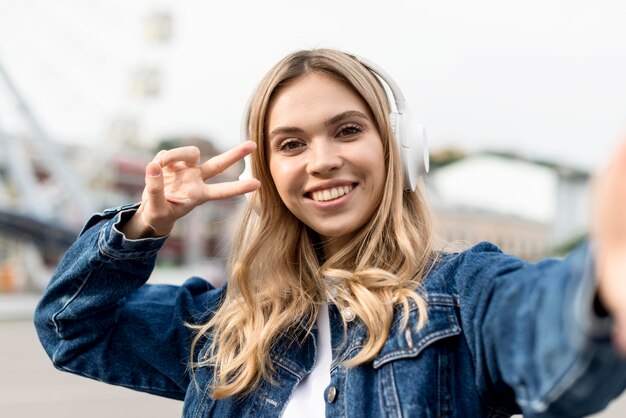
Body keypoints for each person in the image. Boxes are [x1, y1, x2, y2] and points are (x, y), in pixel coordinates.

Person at [34, 48, 626, 417]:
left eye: (347, 131)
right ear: (266, 174)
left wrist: (602, 283)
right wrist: (146, 224)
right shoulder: (225, 328)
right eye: (291, 144)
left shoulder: (464, 295)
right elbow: (72, 329)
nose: (321, 161)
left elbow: (547, 328)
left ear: (398, 150)